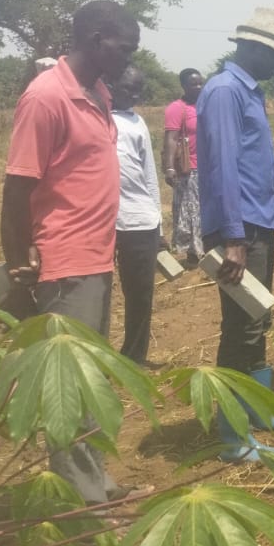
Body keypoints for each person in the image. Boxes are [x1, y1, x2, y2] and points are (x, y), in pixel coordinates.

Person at [1, 0, 140, 504]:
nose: (129, 59)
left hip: (97, 257)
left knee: (91, 381)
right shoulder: (46, 97)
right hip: (64, 263)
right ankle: (77, 504)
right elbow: (16, 191)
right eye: (125, 48)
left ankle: (95, 482)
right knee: (68, 388)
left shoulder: (98, 91)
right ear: (97, 39)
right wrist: (19, 272)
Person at [197, 9, 274, 462]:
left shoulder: (247, 91)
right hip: (241, 230)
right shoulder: (225, 92)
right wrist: (234, 237)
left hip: (258, 223)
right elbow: (222, 168)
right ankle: (233, 436)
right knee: (241, 330)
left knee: (257, 321)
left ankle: (260, 413)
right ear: (254, 49)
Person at [111, 66, 163, 366]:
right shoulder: (95, 114)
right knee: (99, 296)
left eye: (138, 89)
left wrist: (158, 220)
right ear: (110, 82)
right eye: (128, 88)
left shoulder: (138, 121)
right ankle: (96, 358)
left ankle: (134, 357)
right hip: (101, 221)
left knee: (140, 295)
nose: (134, 95)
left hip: (140, 220)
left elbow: (149, 173)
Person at [163, 68, 205, 265]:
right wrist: (170, 167)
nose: (198, 87)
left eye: (200, 83)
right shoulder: (177, 108)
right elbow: (170, 139)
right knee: (190, 210)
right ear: (183, 86)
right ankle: (193, 252)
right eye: (193, 84)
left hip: (207, 166)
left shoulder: (204, 105)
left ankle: (203, 247)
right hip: (189, 167)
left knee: (203, 209)